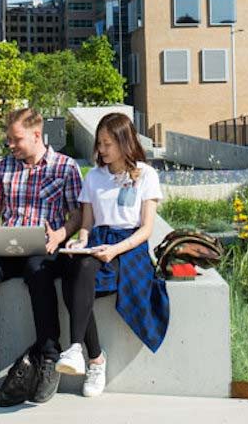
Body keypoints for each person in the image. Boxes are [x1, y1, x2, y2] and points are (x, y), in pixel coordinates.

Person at [0, 108, 83, 402]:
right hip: (9, 245)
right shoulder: (4, 167)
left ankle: (49, 357)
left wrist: (60, 234)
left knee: (38, 270)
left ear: (36, 135)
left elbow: (77, 214)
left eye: (16, 139)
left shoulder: (65, 167)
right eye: (9, 139)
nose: (11, 145)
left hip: (45, 248)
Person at [55, 112, 169, 397]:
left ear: (124, 141)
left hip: (129, 246)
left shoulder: (145, 174)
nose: (101, 150)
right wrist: (80, 242)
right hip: (98, 241)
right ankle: (91, 357)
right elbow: (86, 225)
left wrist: (115, 249)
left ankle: (82, 353)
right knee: (73, 270)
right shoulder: (94, 177)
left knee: (76, 283)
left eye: (107, 144)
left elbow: (146, 229)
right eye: (100, 143)